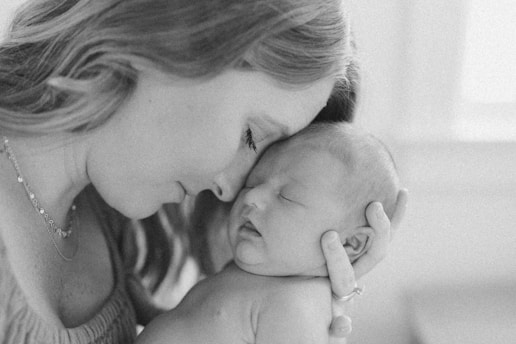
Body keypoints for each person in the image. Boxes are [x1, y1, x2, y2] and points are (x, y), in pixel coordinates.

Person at [0, 1, 407, 343]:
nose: (232, 191)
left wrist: (284, 296)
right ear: (180, 40)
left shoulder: (104, 215)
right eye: (251, 135)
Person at [135, 122, 400, 344]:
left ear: (351, 243)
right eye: (253, 182)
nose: (252, 196)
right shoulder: (252, 275)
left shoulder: (296, 307)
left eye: (287, 196)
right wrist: (143, 309)